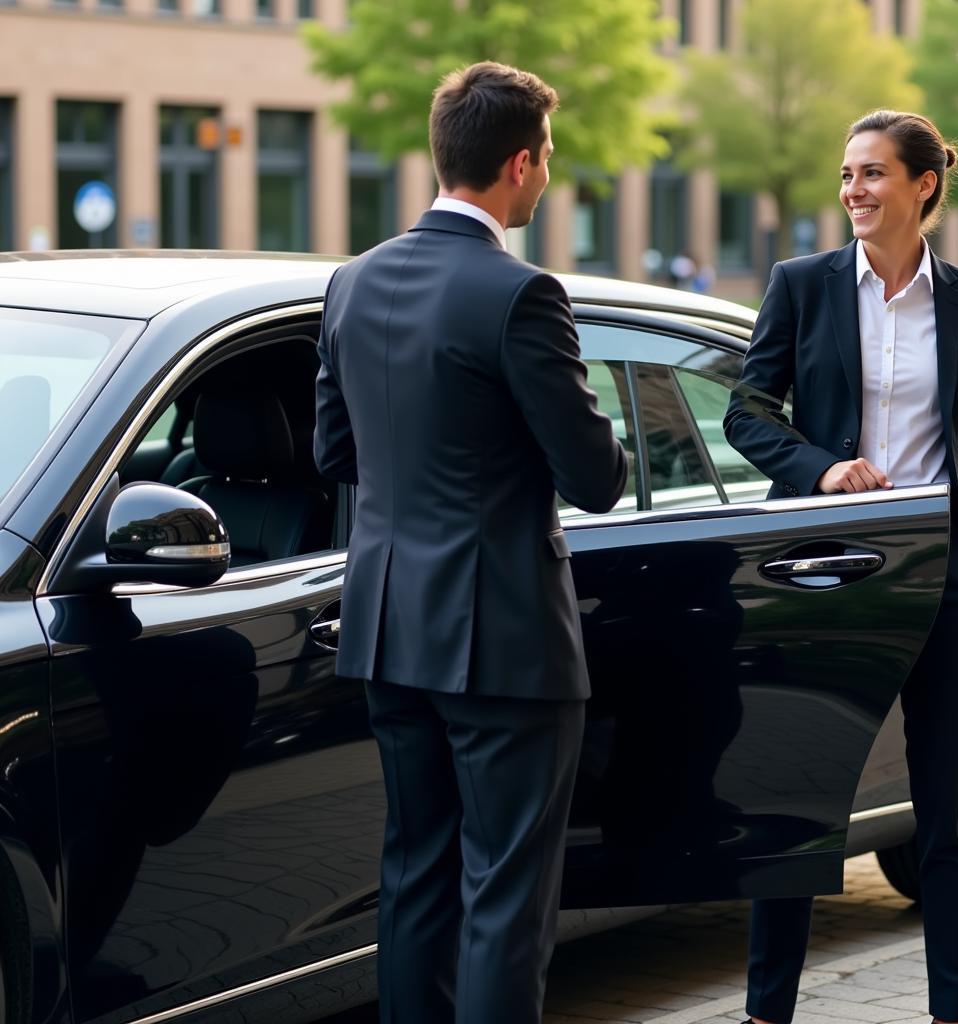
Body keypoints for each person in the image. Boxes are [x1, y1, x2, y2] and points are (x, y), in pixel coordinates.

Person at [313, 62, 628, 1024]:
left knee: (415, 875)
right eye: (548, 161)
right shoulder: (522, 294)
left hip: (386, 632)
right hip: (502, 646)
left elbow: (335, 453)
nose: (546, 177)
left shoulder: (350, 283)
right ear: (520, 164)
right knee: (505, 897)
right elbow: (597, 479)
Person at [723, 109, 958, 1024]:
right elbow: (748, 412)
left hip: (938, 575)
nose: (853, 192)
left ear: (923, 186)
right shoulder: (800, 286)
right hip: (825, 573)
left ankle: (954, 1011)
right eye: (847, 175)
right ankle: (770, 1012)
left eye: (873, 175)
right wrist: (819, 468)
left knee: (946, 814)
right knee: (799, 805)